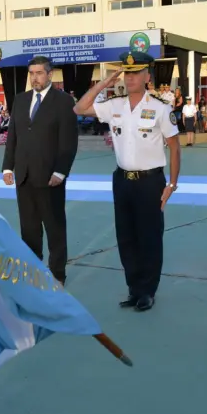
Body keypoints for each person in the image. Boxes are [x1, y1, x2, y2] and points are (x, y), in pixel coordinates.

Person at [74, 51, 180, 311]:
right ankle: (134, 288)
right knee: (126, 237)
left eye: (136, 73)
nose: (130, 78)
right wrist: (103, 83)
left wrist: (172, 185)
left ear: (147, 77)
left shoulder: (160, 108)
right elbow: (79, 108)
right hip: (122, 181)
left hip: (150, 182)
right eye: (127, 73)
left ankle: (148, 291)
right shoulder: (115, 105)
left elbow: (174, 147)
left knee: (149, 237)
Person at [1, 56, 79, 284]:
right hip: (24, 177)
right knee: (29, 230)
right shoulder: (20, 100)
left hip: (50, 178)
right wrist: (7, 167)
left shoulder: (64, 102)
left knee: (55, 229)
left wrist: (61, 171)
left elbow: (68, 141)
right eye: (31, 73)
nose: (34, 78)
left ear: (50, 74)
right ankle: (33, 273)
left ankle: (57, 275)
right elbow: (13, 136)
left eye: (39, 73)